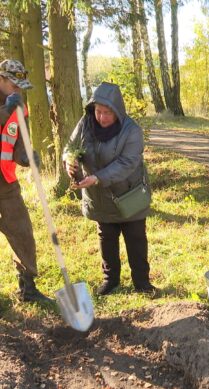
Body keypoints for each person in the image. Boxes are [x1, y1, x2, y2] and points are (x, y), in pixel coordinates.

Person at [64, 82, 156, 296]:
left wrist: (97, 177)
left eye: (107, 112)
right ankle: (110, 280)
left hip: (129, 194)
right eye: (98, 111)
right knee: (107, 236)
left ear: (117, 111)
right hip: (99, 196)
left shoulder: (131, 130)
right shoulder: (86, 123)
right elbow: (70, 145)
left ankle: (142, 283)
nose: (102, 117)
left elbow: (127, 163)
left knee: (135, 237)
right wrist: (69, 160)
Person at [0, 59, 51, 302]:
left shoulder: (20, 107)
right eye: (13, 84)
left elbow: (19, 146)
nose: (18, 90)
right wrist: (6, 111)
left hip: (5, 181)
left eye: (21, 86)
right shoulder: (9, 107)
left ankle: (27, 289)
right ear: (1, 79)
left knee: (22, 231)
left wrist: (28, 157)